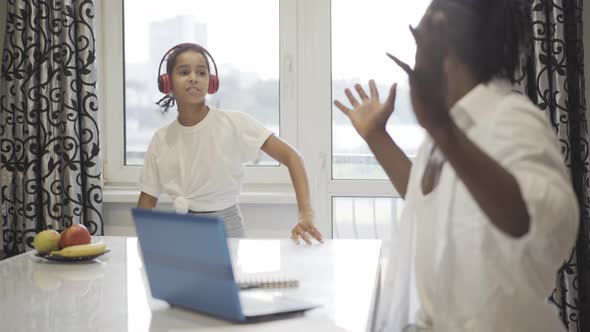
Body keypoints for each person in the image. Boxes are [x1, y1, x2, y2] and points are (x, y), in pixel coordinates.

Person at [334, 0, 579, 331]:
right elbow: (426, 200)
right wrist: (377, 137)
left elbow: (530, 216)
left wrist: (441, 128)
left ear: (440, 43)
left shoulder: (510, 119)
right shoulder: (450, 129)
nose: (414, 51)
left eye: (418, 36)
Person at [137, 43, 322, 245]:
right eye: (183, 72)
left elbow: (292, 157)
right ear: (167, 82)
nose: (193, 77)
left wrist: (306, 215)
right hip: (182, 233)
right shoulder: (161, 139)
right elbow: (146, 202)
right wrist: (147, 246)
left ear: (211, 82)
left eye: (201, 72)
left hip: (227, 230)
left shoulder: (234, 123)